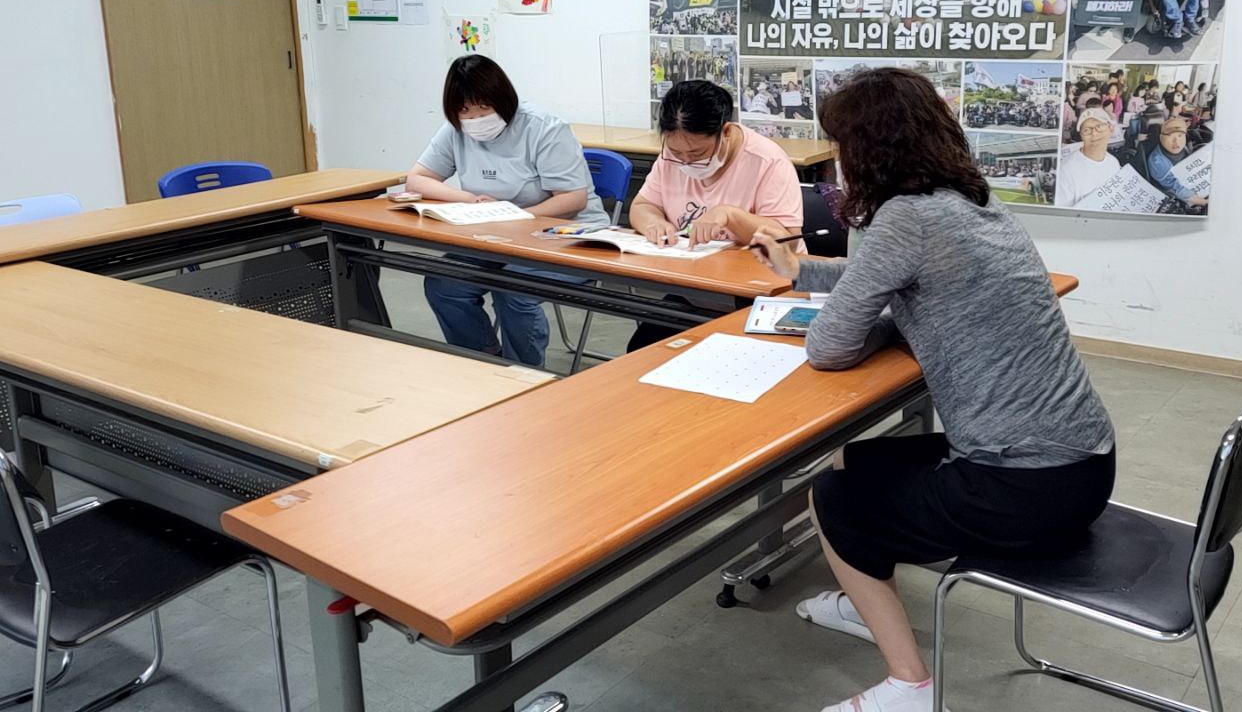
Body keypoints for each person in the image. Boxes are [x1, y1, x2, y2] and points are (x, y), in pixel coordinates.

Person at [748, 68, 1115, 712]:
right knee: (856, 459)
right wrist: (800, 269)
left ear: (868, 151)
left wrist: (865, 322)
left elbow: (828, 347)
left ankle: (909, 687)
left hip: (1021, 488)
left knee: (835, 494)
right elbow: (901, 284)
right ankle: (865, 598)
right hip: (1080, 465)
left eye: (841, 148)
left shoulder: (906, 218)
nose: (836, 163)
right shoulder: (971, 199)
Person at [406, 56, 610, 367]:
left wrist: (516, 217)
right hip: (496, 234)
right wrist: (466, 199)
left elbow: (573, 199)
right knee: (444, 282)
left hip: (565, 235)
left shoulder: (544, 129)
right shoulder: (456, 130)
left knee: (514, 288)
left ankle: (523, 374)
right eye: (464, 111)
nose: (475, 118)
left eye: (483, 108)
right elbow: (417, 178)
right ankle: (485, 360)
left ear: (503, 99)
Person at [627, 80, 801, 347]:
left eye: (697, 153)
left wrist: (731, 215)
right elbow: (641, 206)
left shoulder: (767, 162)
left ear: (727, 132)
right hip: (696, 289)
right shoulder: (671, 157)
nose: (685, 162)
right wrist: (655, 223)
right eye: (676, 152)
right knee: (642, 350)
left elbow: (787, 241)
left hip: (759, 296)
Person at [1057, 107, 1121, 207]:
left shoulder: (1114, 162)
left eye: (1099, 126)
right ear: (1081, 135)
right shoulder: (1065, 171)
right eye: (1087, 130)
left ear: (1111, 128)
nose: (1094, 133)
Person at [1147, 115, 1208, 207]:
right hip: (1179, 198)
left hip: (1195, 186)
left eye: (1180, 136)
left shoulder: (1183, 148)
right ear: (1161, 137)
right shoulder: (1157, 161)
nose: (1176, 141)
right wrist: (1205, 202)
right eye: (1170, 136)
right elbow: (1175, 188)